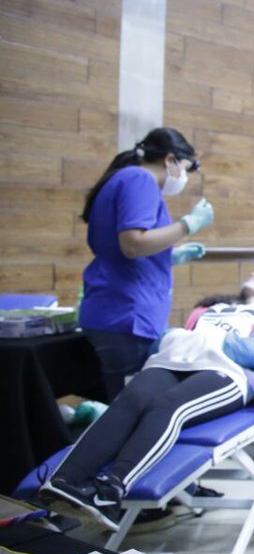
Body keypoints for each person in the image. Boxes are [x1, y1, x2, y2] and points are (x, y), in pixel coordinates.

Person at [40, 271, 254, 532]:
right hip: (173, 360)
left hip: (226, 370)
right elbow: (161, 345)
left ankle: (110, 489)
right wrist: (170, 336)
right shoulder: (211, 309)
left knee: (168, 406)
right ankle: (63, 482)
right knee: (129, 400)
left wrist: (218, 339)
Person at [79, 127, 215, 400]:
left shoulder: (124, 178)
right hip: (127, 315)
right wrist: (187, 225)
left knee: (117, 405)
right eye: (185, 168)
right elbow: (133, 243)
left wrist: (168, 255)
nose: (184, 177)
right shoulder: (139, 179)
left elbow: (123, 247)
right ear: (169, 159)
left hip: (113, 311)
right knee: (128, 412)